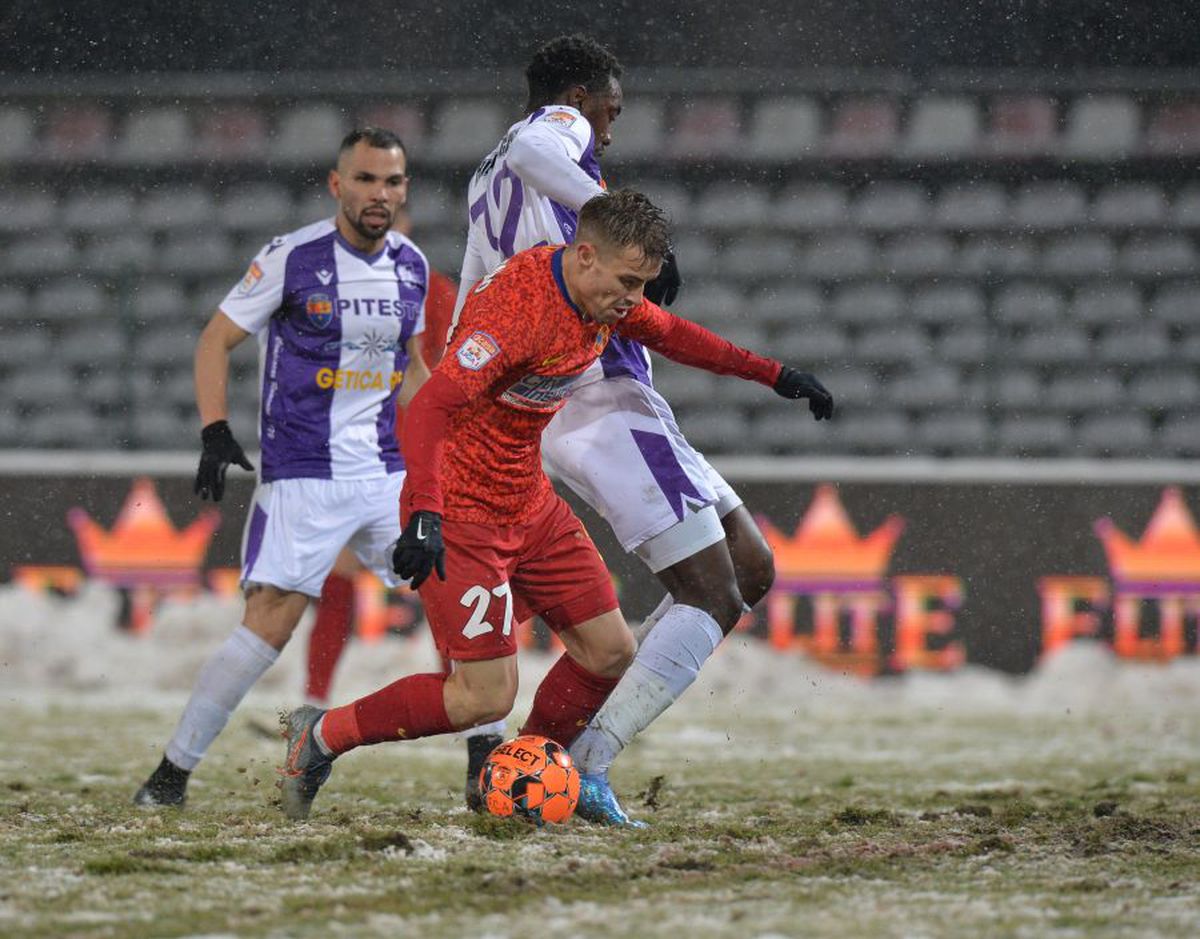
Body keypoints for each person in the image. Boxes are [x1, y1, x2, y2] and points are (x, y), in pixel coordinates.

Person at [277, 189, 832, 822]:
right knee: (481, 697)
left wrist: (776, 375)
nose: (634, 298)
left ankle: (523, 780)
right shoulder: (518, 312)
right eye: (628, 281)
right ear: (586, 255)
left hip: (528, 502)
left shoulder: (602, 297)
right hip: (463, 511)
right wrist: (425, 512)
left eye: (643, 284)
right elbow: (430, 407)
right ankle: (319, 736)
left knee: (610, 652)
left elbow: (677, 335)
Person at [453, 34, 829, 824]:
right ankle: (581, 761)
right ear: (582, 97)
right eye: (610, 112)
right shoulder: (553, 132)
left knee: (749, 568)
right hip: (598, 393)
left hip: (577, 397)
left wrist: (770, 371)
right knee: (710, 589)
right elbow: (535, 145)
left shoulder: (483, 175)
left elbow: (475, 294)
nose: (609, 132)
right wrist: (616, 224)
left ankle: (548, 750)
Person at [134, 127, 431, 807]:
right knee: (269, 621)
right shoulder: (291, 258)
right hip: (302, 473)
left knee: (456, 588)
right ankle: (169, 777)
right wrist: (214, 431)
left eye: (391, 181)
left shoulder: (411, 264)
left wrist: (444, 448)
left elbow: (411, 371)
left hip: (385, 473)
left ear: (404, 189)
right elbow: (217, 339)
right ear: (337, 185)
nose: (378, 194)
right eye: (364, 179)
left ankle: (486, 758)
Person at [304, 205, 458, 707]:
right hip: (354, 456)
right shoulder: (332, 290)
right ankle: (314, 701)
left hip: (411, 458)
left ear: (408, 228)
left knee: (439, 579)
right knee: (342, 576)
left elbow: (447, 376)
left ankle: (470, 703)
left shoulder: (435, 292)